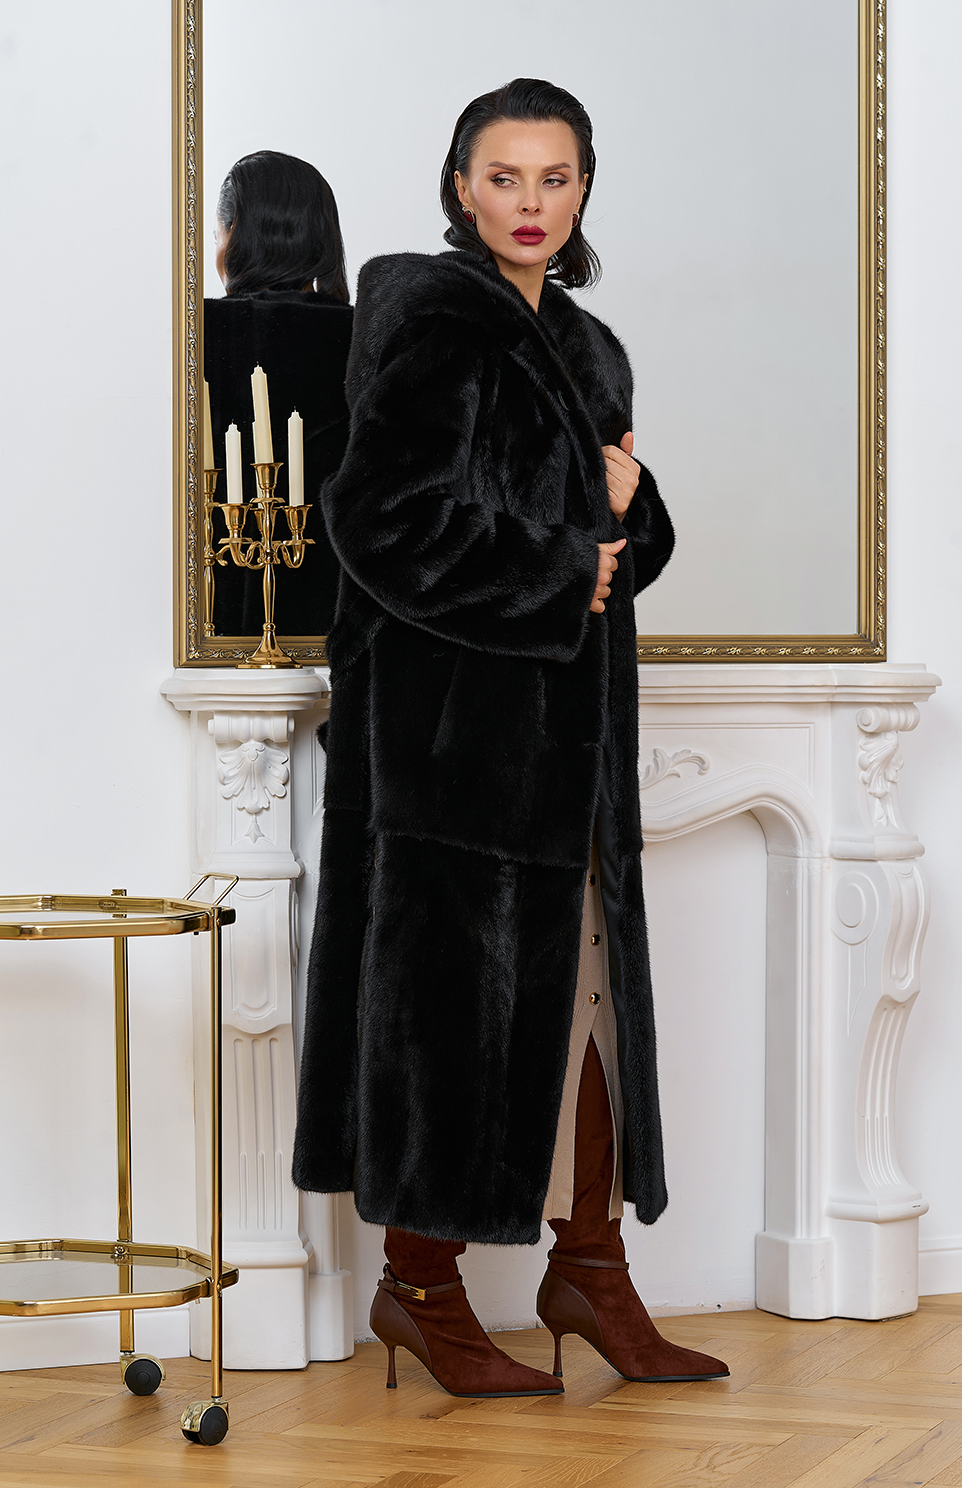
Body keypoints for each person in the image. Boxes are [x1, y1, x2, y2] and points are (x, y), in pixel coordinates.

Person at [292, 78, 728, 1398]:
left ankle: (589, 1267)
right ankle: (419, 1289)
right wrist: (560, 564)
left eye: (554, 178)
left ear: (583, 189)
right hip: (453, 741)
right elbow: (376, 519)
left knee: (584, 1004)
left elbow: (618, 550)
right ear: (460, 186)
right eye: (503, 177)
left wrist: (626, 509)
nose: (530, 204)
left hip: (567, 740)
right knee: (445, 1011)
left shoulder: (586, 349)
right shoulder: (431, 316)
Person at [204, 150, 353, 639]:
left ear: (235, 236)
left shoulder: (193, 334)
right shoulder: (366, 337)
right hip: (341, 612)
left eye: (218, 236)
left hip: (206, 608)